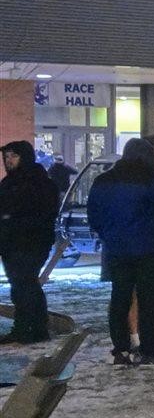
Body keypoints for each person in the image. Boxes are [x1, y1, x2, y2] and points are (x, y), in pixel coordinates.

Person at [86, 138, 154, 367]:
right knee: (148, 301)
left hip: (116, 249)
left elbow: (94, 215)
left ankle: (121, 349)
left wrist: (108, 234)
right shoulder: (152, 180)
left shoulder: (103, 180)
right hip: (149, 248)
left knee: (120, 298)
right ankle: (149, 350)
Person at [1, 140, 69, 344]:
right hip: (10, 244)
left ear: (25, 157)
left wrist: (13, 220)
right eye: (6, 157)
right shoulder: (9, 182)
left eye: (14, 156)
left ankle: (33, 328)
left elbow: (43, 214)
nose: (9, 160)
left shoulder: (39, 182)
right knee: (20, 285)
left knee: (25, 284)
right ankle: (27, 328)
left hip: (31, 243)